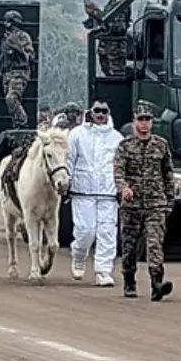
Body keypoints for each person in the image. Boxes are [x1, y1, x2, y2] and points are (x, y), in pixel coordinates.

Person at [114, 101, 177, 300]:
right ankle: (129, 281)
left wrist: (169, 200)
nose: (144, 124)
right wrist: (124, 189)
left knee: (154, 244)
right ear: (134, 122)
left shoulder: (161, 145)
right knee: (130, 246)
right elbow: (118, 172)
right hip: (132, 205)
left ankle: (157, 283)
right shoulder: (125, 146)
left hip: (155, 203)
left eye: (147, 120)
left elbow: (168, 172)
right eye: (140, 120)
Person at [67, 100, 125, 286]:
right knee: (86, 231)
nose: (100, 115)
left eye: (104, 111)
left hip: (108, 192)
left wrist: (122, 187)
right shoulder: (76, 134)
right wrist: (66, 182)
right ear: (90, 112)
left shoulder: (117, 138)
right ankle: (78, 255)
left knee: (107, 232)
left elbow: (122, 165)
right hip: (83, 190)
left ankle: (103, 271)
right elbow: (69, 159)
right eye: (97, 111)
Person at [84, 0, 132, 77]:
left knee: (116, 76)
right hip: (107, 45)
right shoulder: (112, 3)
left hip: (115, 47)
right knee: (108, 73)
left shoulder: (121, 4)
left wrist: (96, 13)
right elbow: (105, 20)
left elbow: (118, 27)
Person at [0, 10, 36, 128]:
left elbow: (29, 56)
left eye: (9, 22)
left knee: (12, 98)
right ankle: (17, 125)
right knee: (10, 102)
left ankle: (22, 123)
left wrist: (15, 44)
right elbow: (4, 60)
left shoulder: (22, 36)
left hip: (19, 72)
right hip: (7, 73)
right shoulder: (5, 39)